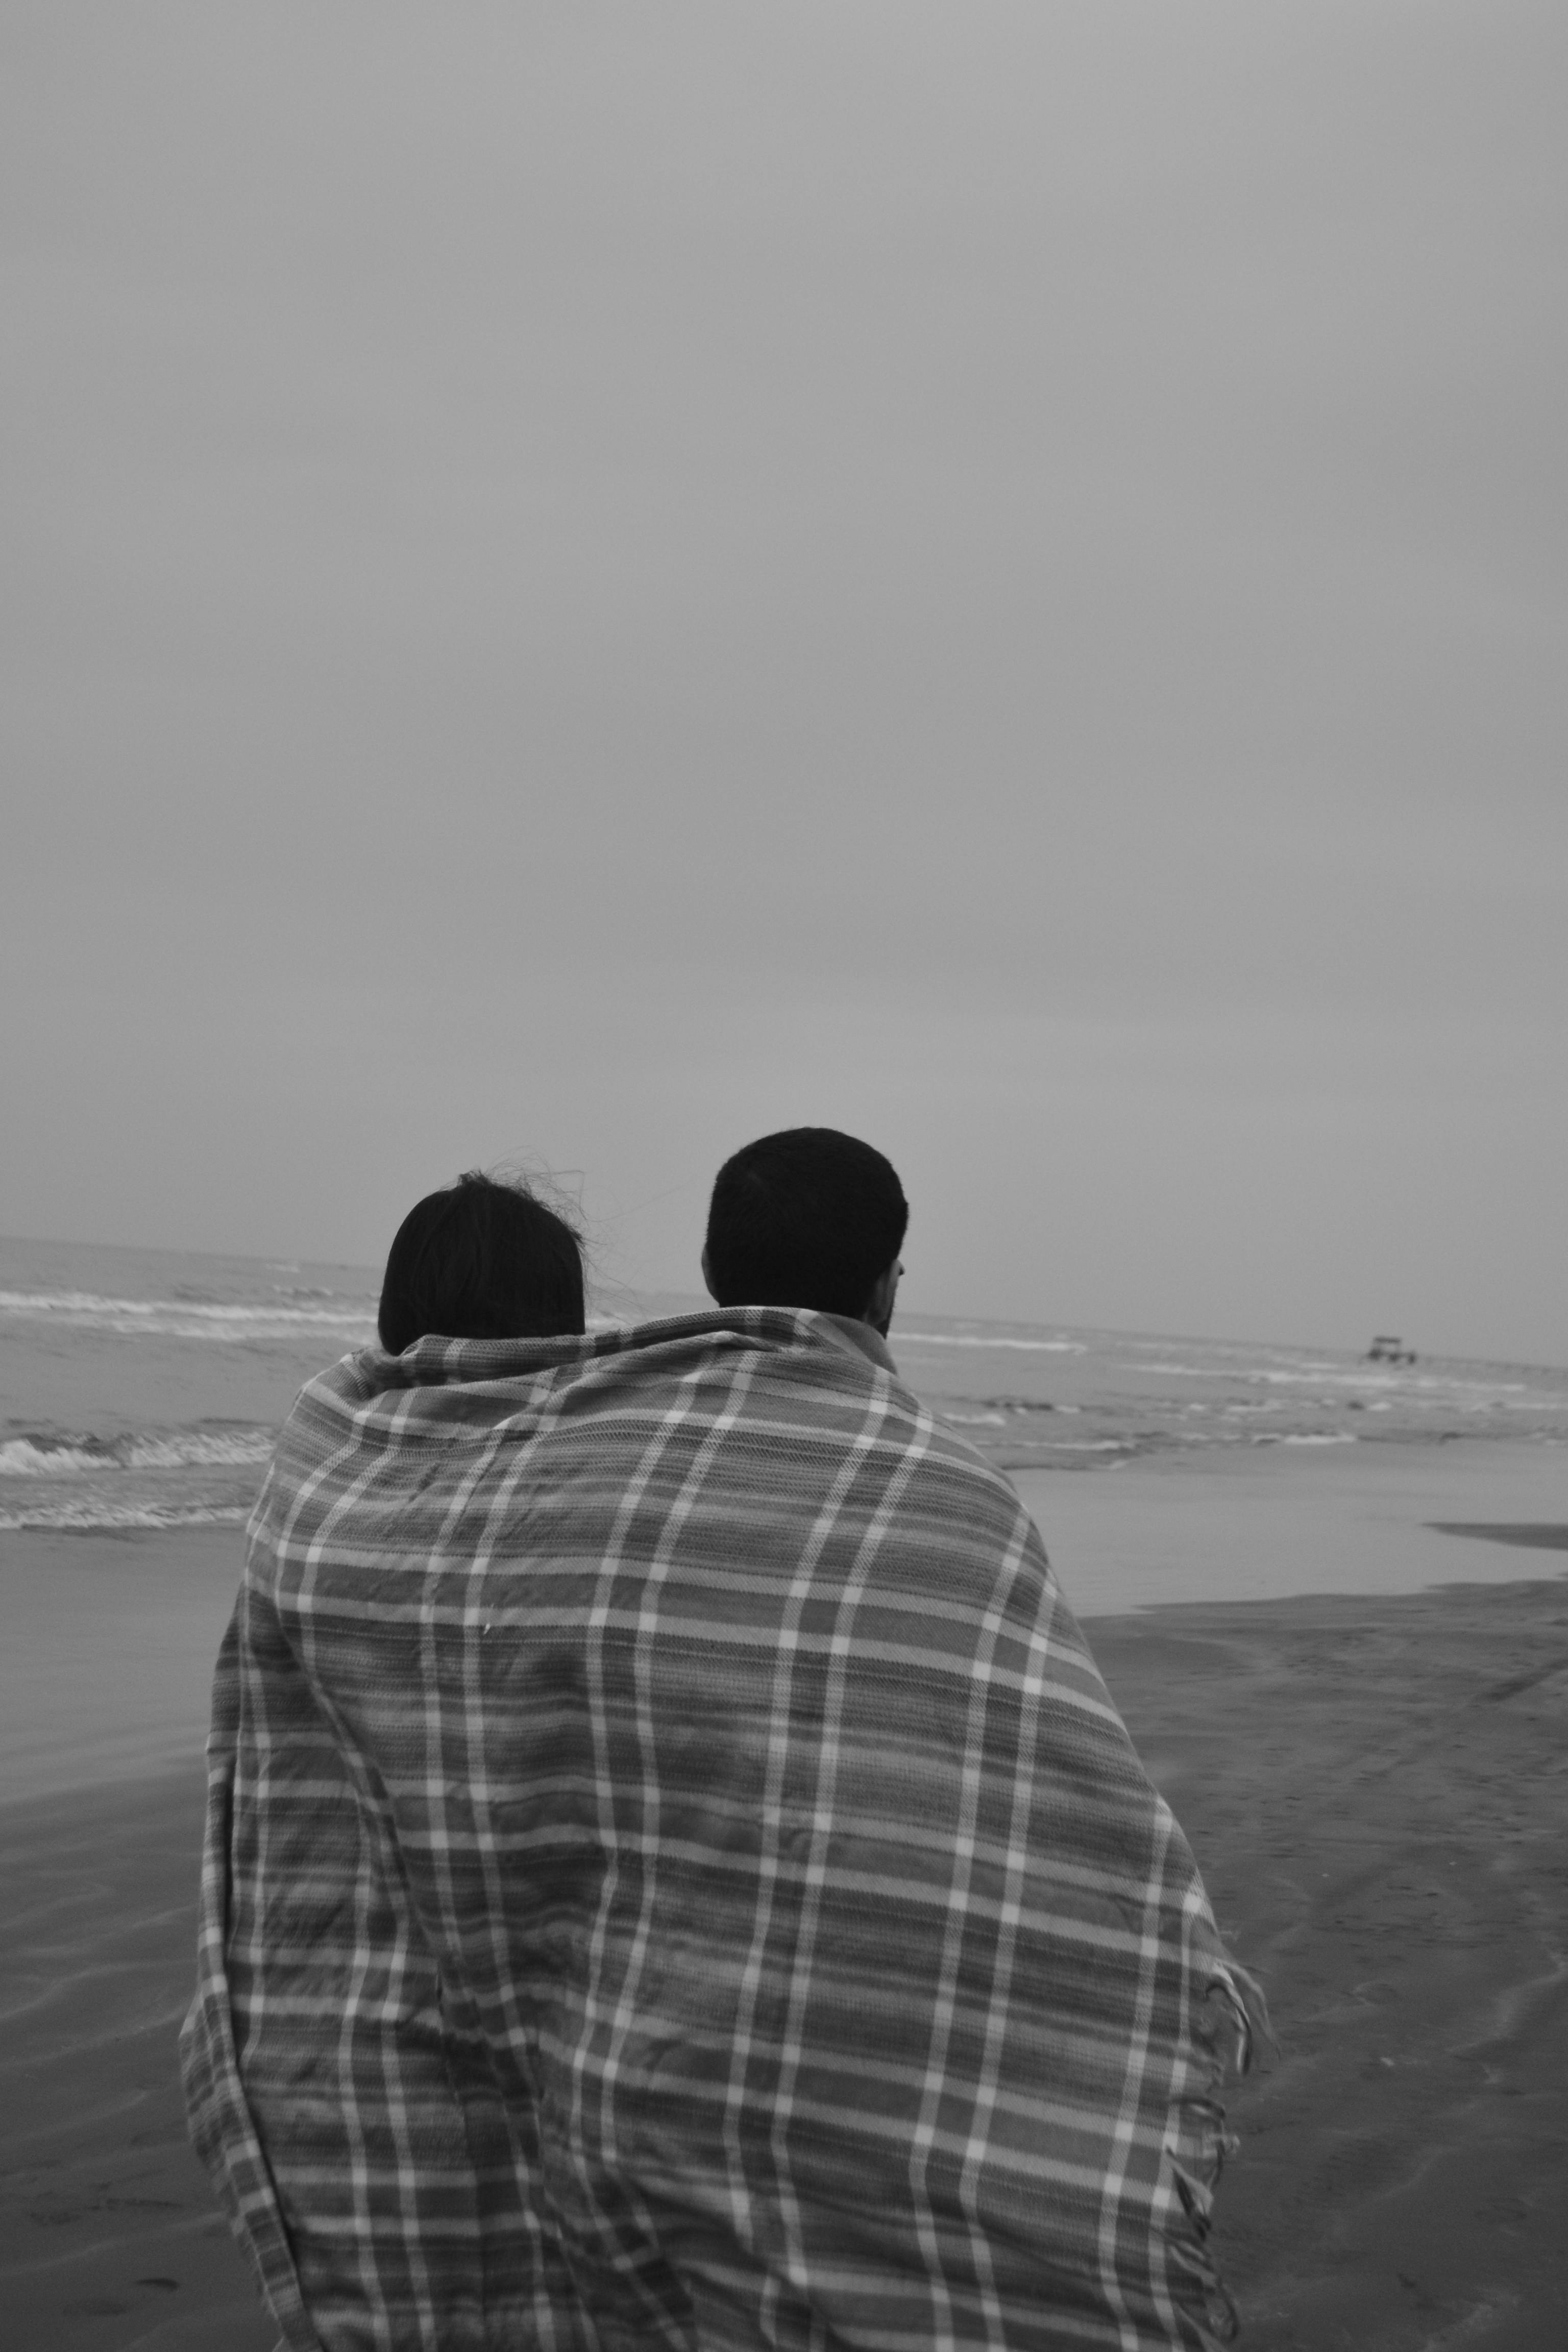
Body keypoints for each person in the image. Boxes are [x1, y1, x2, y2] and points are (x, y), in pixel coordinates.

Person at [185, 1133, 1263, 2351]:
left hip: (428, 2021)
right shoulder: (921, 1486)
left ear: (708, 1266)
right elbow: (1026, 1806)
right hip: (706, 2045)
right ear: (886, 1285)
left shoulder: (330, 1478)